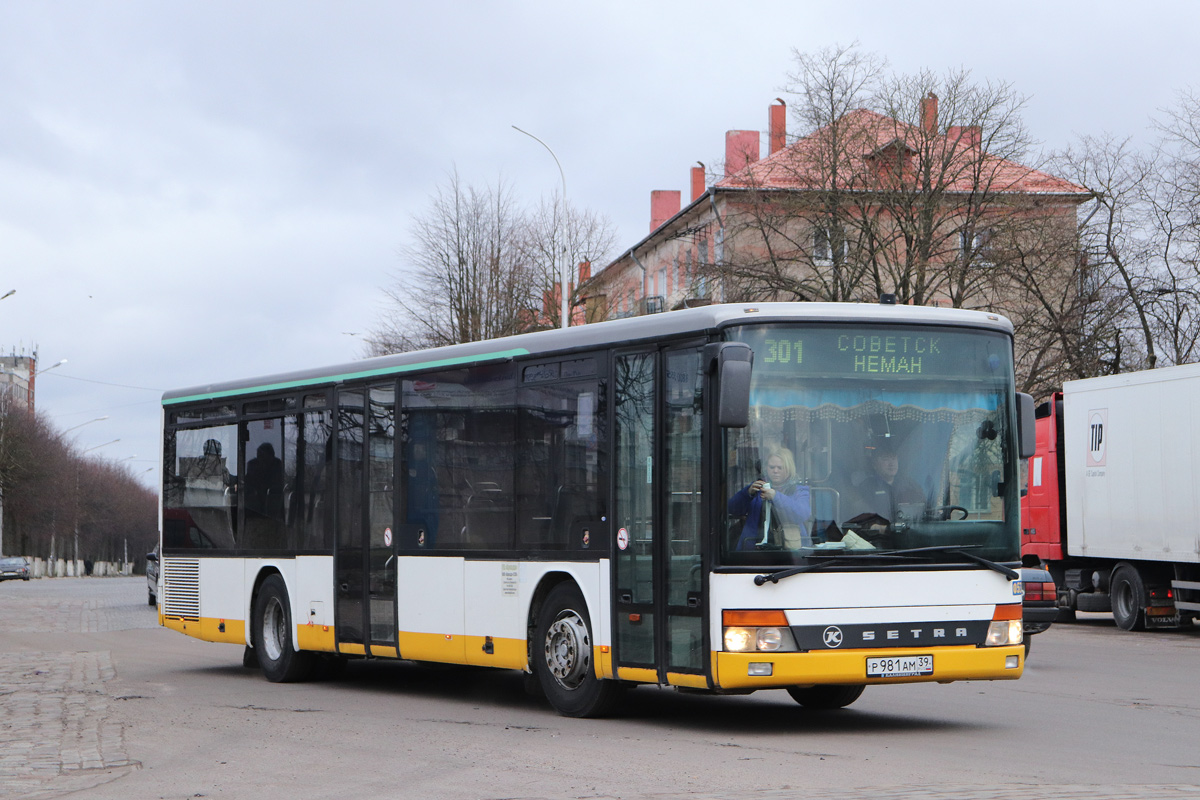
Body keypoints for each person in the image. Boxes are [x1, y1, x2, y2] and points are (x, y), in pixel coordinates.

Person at [728, 447, 812, 550]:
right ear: (766, 468)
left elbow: (803, 514)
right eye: (772, 467)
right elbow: (732, 509)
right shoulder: (757, 488)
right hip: (755, 549)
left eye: (780, 467)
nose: (775, 471)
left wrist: (776, 497)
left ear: (789, 469)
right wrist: (747, 494)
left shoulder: (799, 490)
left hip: (791, 548)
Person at [854, 439, 925, 523]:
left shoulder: (910, 484)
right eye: (886, 459)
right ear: (874, 464)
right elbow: (859, 517)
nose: (892, 463)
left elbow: (924, 509)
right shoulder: (866, 487)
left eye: (894, 458)